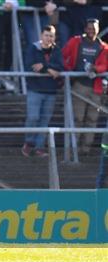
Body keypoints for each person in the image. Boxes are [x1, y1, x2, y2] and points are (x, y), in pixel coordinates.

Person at [62, 18, 108, 155]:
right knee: (77, 118)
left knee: (92, 119)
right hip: (79, 85)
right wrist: (68, 71)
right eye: (89, 28)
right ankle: (72, 149)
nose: (91, 31)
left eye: (94, 28)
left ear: (98, 29)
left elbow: (106, 65)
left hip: (96, 87)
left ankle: (85, 150)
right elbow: (63, 56)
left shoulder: (104, 47)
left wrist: (96, 68)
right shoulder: (75, 42)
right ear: (85, 29)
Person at [21, 25, 63, 158]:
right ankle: (29, 143)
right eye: (46, 35)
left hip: (51, 91)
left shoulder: (57, 50)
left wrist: (44, 67)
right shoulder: (33, 48)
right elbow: (31, 66)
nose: (49, 38)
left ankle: (39, 147)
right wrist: (50, 70)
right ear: (41, 36)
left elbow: (59, 68)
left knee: (45, 120)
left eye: (51, 35)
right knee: (33, 117)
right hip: (35, 89)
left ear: (54, 37)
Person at [0, 0, 19, 91]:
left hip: (14, 14)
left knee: (11, 45)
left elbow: (22, 1)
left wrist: (13, 4)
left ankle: (7, 75)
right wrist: (2, 3)